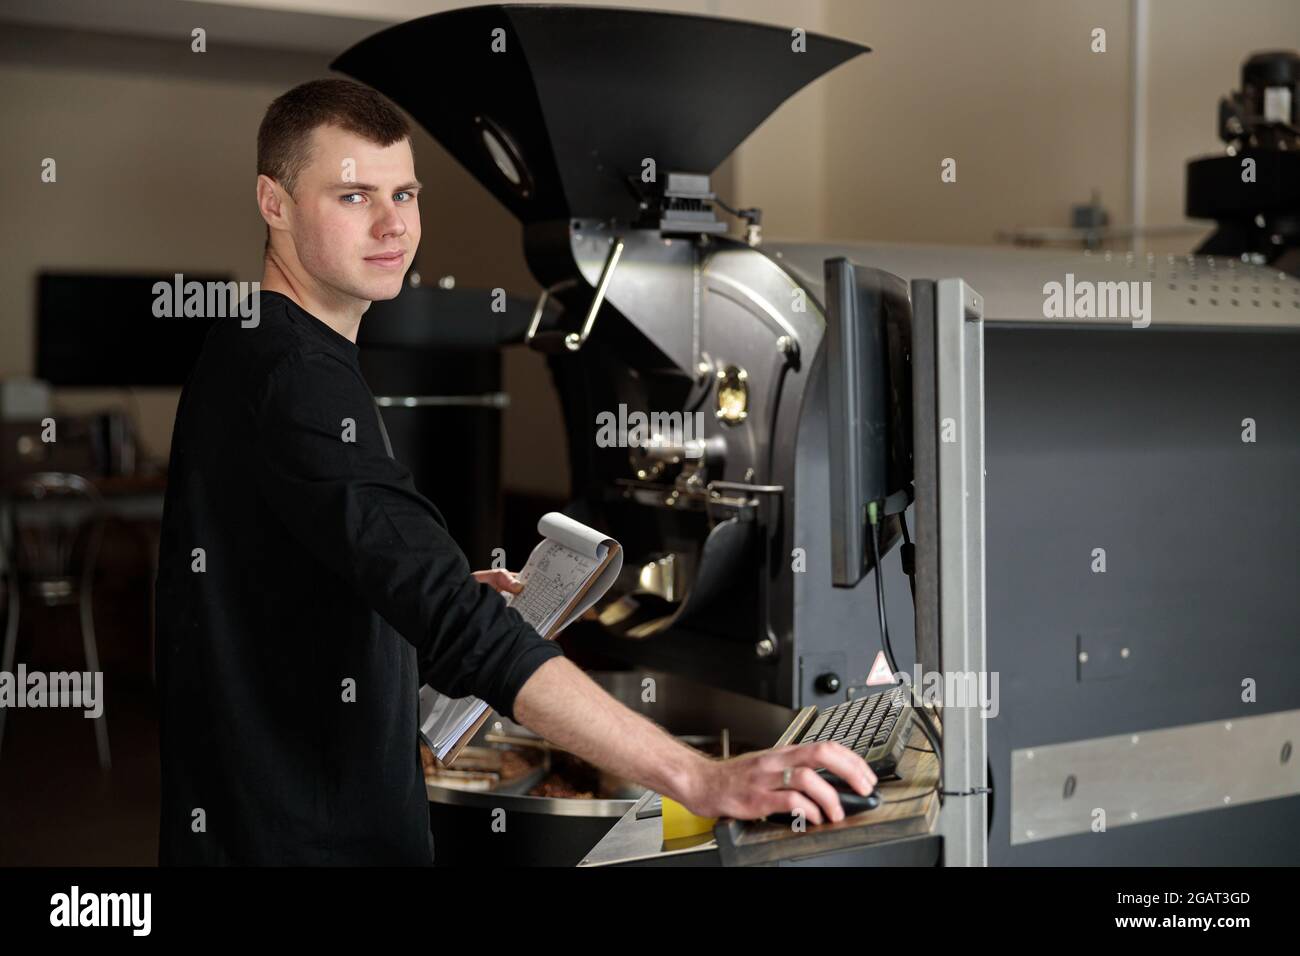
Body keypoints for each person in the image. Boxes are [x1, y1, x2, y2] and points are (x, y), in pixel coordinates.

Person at [155, 78, 874, 865]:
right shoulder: (297, 378)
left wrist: (425, 595)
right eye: (355, 196)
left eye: (405, 193)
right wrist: (701, 778)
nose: (395, 224)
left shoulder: (252, 347)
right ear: (275, 203)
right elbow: (458, 630)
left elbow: (287, 575)